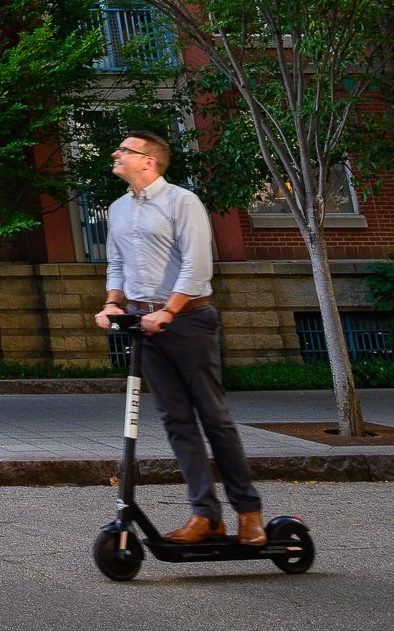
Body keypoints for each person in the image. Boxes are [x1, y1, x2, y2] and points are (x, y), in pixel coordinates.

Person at [94, 130, 266, 545]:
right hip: (143, 324)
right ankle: (206, 516)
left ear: (149, 161)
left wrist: (168, 312)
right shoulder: (118, 209)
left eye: (124, 150)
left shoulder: (182, 202)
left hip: (188, 320)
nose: (115, 153)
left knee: (214, 417)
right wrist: (113, 302)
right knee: (176, 420)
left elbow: (197, 266)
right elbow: (116, 262)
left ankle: (248, 512)